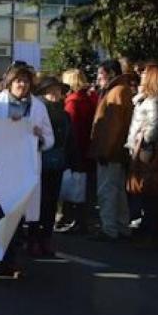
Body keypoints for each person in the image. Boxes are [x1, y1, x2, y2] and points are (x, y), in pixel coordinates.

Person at [0, 65, 55, 276]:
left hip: (24, 168)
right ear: (10, 83)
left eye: (25, 81)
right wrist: (6, 126)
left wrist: (38, 135)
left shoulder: (39, 107)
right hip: (0, 167)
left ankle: (9, 261)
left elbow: (50, 139)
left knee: (16, 217)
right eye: (18, 81)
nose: (22, 85)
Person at [89, 59, 136, 241]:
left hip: (110, 151)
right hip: (117, 151)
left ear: (110, 73)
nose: (98, 77)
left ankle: (109, 228)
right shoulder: (121, 90)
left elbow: (113, 127)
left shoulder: (116, 92)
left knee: (107, 190)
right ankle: (122, 226)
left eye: (101, 73)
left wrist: (104, 152)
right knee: (117, 190)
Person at [30, 77, 74, 257]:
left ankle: (46, 239)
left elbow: (69, 139)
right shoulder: (38, 109)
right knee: (37, 204)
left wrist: (72, 160)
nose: (55, 94)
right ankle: (33, 240)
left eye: (57, 90)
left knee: (50, 204)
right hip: (39, 160)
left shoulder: (64, 113)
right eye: (51, 90)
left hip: (57, 162)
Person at [57, 69, 98, 234]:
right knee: (84, 187)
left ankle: (73, 219)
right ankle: (81, 220)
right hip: (88, 147)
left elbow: (71, 129)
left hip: (77, 149)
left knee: (74, 186)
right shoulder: (90, 98)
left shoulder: (72, 102)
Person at [126, 65, 158, 248]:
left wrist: (143, 138)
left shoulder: (153, 100)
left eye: (145, 73)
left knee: (150, 192)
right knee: (149, 194)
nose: (141, 75)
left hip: (148, 152)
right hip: (144, 150)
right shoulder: (145, 99)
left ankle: (151, 233)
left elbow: (155, 126)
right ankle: (149, 231)